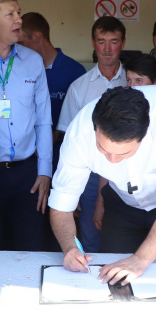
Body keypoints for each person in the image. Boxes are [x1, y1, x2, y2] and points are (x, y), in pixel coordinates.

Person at [50, 85, 156, 284]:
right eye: (103, 149)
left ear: (144, 136)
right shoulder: (80, 131)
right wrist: (69, 248)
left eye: (124, 153)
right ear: (95, 128)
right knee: (110, 277)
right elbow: (61, 202)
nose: (112, 160)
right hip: (121, 202)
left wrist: (140, 259)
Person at [0, 0, 52, 251]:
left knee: (28, 248)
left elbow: (43, 120)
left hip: (28, 175)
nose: (19, 19)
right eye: (10, 14)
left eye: (19, 12)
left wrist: (44, 171)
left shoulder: (33, 61)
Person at [55, 16, 127, 253]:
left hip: (128, 171)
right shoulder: (79, 87)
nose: (107, 49)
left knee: (125, 237)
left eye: (113, 42)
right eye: (101, 41)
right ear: (93, 43)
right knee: (90, 237)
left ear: (123, 43)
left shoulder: (134, 81)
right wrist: (72, 189)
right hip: (90, 174)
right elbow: (67, 139)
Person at [19, 11, 85, 172]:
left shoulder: (75, 71)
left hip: (63, 160)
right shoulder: (20, 70)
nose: (17, 49)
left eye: (21, 43)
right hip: (26, 160)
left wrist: (52, 137)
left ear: (37, 37)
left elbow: (82, 122)